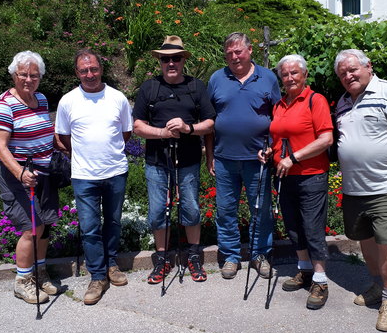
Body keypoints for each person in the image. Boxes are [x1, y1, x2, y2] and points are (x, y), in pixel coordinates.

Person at [335, 49, 387, 332]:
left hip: (385, 187)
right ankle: (376, 285)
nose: (348, 76)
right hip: (353, 189)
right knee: (366, 240)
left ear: (368, 67)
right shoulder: (343, 102)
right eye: (342, 73)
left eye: (352, 70)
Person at [133, 35, 215, 284]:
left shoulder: (195, 86)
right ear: (160, 61)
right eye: (166, 59)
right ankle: (162, 258)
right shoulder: (150, 88)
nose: (171, 63)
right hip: (157, 161)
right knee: (158, 212)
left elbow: (211, 123)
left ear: (183, 61)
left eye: (176, 58)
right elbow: (137, 126)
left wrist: (188, 128)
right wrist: (162, 133)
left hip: (188, 160)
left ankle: (193, 256)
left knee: (190, 208)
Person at [55, 49, 132, 305]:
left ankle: (112, 266)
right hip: (84, 175)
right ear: (77, 73)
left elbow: (125, 133)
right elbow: (63, 138)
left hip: (115, 171)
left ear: (101, 69)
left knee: (113, 222)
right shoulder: (68, 101)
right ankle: (97, 276)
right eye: (83, 70)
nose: (90, 74)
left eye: (94, 69)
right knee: (89, 228)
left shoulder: (117, 98)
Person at [205, 32, 280, 279]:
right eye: (229, 53)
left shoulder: (267, 77)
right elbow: (209, 120)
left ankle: (260, 254)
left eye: (238, 51)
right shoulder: (217, 78)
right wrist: (209, 154)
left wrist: (273, 147)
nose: (234, 57)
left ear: (250, 51)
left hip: (257, 159)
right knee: (226, 210)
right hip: (225, 158)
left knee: (260, 209)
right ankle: (230, 256)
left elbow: (279, 117)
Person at [261, 55, 333, 309]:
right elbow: (279, 137)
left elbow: (326, 139)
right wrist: (271, 151)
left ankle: (321, 280)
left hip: (311, 175)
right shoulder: (280, 105)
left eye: (294, 73)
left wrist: (294, 158)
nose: (290, 78)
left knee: (312, 228)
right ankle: (304, 270)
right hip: (285, 175)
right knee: (293, 226)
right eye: (285, 74)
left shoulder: (316, 100)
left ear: (304, 75)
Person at [0, 51, 61, 304]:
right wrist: (20, 173)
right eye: (23, 74)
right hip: (16, 174)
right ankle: (22, 281)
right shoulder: (4, 104)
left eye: (34, 75)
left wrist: (63, 147)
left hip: (44, 172)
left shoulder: (41, 99)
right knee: (31, 228)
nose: (28, 79)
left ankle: (39, 272)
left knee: (45, 227)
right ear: (14, 75)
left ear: (40, 77)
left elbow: (44, 131)